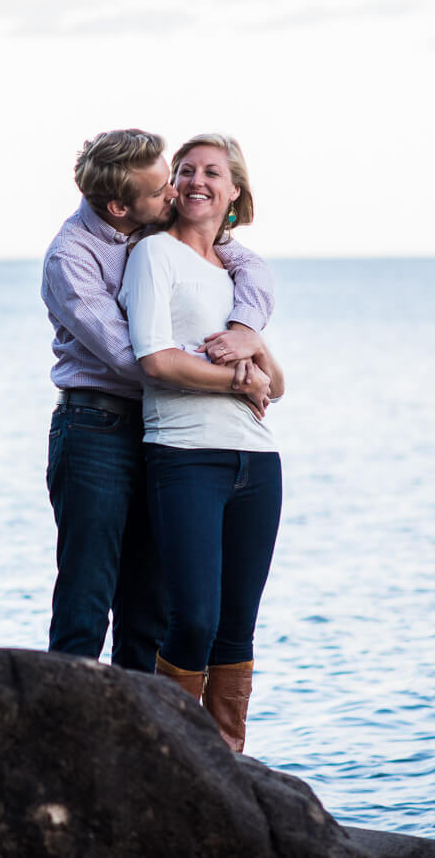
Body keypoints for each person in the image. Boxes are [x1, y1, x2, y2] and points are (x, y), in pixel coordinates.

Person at [42, 129, 275, 673]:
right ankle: (63, 739)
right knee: (86, 599)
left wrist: (244, 331)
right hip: (96, 427)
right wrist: (242, 377)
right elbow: (137, 359)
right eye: (162, 189)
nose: (175, 193)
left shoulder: (153, 223)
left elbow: (248, 266)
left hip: (159, 432)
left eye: (172, 180)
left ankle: (142, 745)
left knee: (150, 606)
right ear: (121, 206)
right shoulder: (70, 259)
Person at [118, 132, 285, 753]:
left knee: (237, 627)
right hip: (184, 456)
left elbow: (281, 384)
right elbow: (156, 362)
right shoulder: (154, 256)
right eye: (185, 170)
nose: (195, 180)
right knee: (192, 620)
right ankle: (171, 755)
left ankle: (227, 764)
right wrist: (238, 378)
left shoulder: (239, 276)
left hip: (257, 462)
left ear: (234, 193)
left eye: (213, 172)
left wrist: (250, 346)